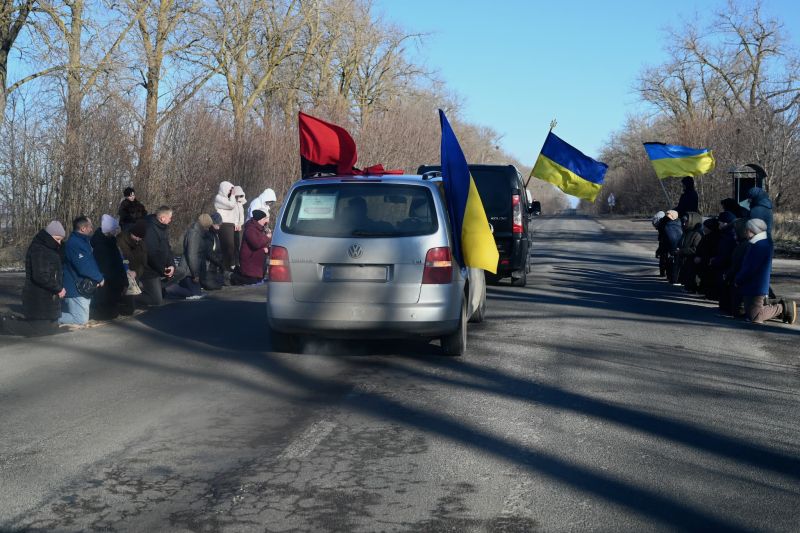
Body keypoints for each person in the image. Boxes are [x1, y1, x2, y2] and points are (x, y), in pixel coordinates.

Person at [0, 222, 67, 337]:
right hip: (37, 296)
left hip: (47, 297)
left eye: (61, 240)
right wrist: (58, 288)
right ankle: (4, 323)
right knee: (40, 330)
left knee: (50, 327)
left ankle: (10, 319)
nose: (59, 243)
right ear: (49, 236)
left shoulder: (49, 248)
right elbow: (40, 275)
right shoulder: (39, 249)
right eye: (57, 239)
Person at [735, 218, 796, 325]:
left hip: (756, 286)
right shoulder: (758, 243)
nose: (745, 232)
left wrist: (739, 279)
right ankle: (778, 308)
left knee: (755, 317)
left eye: (747, 230)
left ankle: (783, 307)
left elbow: (750, 268)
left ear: (752, 230)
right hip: (752, 285)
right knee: (749, 313)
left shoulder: (760, 246)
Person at [60, 216, 104, 326]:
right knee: (80, 319)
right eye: (90, 227)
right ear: (83, 228)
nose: (91, 229)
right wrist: (99, 277)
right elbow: (84, 266)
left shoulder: (83, 242)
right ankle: (47, 318)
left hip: (83, 287)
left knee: (81, 316)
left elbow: (90, 263)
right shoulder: (74, 244)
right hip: (76, 288)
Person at [90, 214, 126, 320]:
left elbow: (119, 263)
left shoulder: (112, 243)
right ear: (109, 231)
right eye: (114, 229)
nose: (116, 232)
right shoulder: (100, 245)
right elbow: (106, 268)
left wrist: (123, 281)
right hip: (106, 283)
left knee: (114, 312)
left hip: (113, 282)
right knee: (108, 313)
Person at [141, 206, 176, 307]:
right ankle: (130, 297)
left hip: (161, 266)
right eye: (169, 217)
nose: (171, 219)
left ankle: (157, 288)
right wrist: (163, 270)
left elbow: (167, 248)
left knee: (181, 272)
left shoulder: (163, 228)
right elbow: (151, 255)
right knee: (156, 301)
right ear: (162, 218)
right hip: (149, 269)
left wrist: (172, 265)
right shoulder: (149, 229)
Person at [231, 209, 272, 285]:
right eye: (264, 219)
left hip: (255, 261)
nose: (265, 221)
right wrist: (267, 237)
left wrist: (268, 249)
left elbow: (262, 243)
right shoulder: (250, 229)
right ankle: (233, 276)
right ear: (259, 220)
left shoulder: (260, 229)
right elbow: (256, 243)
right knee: (251, 281)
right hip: (249, 261)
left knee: (257, 280)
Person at [720, 218, 751, 317]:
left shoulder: (744, 246)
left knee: (742, 312)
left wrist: (728, 275)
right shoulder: (741, 245)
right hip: (739, 279)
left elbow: (737, 266)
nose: (733, 233)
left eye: (735, 231)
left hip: (742, 282)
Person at [117, 218, 148, 314]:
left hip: (135, 271)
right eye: (136, 236)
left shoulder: (141, 244)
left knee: (133, 291)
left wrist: (136, 272)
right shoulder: (121, 240)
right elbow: (123, 258)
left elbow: (143, 261)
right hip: (124, 269)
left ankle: (130, 306)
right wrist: (127, 269)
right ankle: (124, 305)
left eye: (140, 237)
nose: (138, 239)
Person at [183, 214, 217, 292]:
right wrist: (195, 275)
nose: (208, 229)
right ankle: (171, 289)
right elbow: (192, 255)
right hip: (189, 272)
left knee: (197, 292)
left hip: (194, 271)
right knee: (192, 294)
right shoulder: (194, 234)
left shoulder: (200, 233)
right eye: (207, 227)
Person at [676, 211, 703, 291]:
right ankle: (687, 286)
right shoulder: (686, 232)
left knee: (692, 275)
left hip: (692, 260)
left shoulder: (697, 234)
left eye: (686, 222)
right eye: (683, 222)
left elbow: (696, 249)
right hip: (685, 260)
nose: (684, 224)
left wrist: (682, 251)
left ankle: (692, 288)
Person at [214, 180, 238, 273]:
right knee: (227, 246)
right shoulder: (218, 198)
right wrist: (232, 196)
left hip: (230, 224)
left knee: (231, 247)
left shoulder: (230, 198)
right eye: (229, 190)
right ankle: (224, 268)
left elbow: (235, 211)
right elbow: (231, 205)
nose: (231, 192)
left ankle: (228, 267)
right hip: (223, 224)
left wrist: (236, 223)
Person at [663, 210, 683, 285]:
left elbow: (677, 236)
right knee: (670, 262)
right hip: (669, 247)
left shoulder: (679, 224)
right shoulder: (667, 225)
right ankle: (671, 278)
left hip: (677, 247)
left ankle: (675, 279)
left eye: (670, 217)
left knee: (676, 264)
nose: (668, 218)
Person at [233, 185, 247, 267]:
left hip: (238, 228)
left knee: (238, 245)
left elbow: (241, 216)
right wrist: (235, 224)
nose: (238, 197)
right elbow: (232, 215)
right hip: (232, 227)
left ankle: (237, 263)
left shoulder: (240, 204)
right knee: (232, 246)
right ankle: (233, 263)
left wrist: (240, 224)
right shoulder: (232, 203)